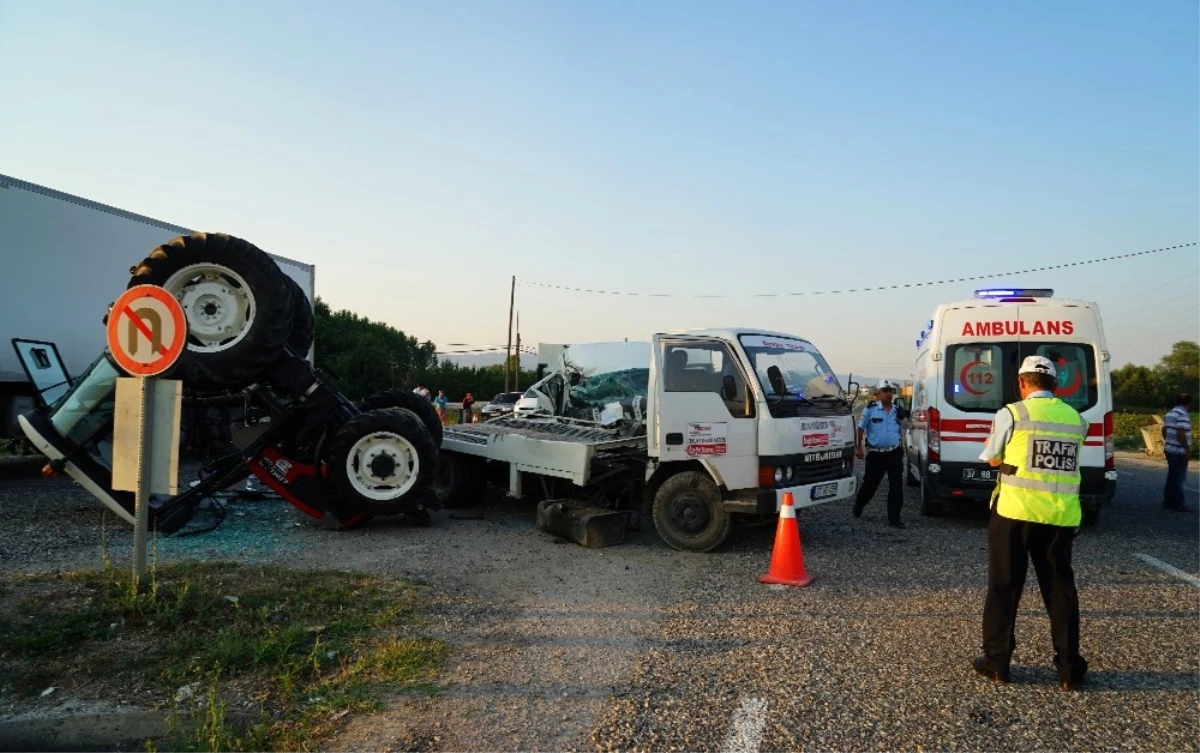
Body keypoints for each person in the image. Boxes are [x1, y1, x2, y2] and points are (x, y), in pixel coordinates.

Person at [974, 355, 1089, 691]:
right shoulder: (1076, 419)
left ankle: (998, 663)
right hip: (1060, 516)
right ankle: (1069, 669)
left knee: (1004, 587)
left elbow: (994, 457)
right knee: (1060, 590)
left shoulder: (1012, 413)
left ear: (1022, 383)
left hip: (1014, 513)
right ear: (1055, 385)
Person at [853, 379, 908, 528]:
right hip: (876, 455)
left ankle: (894, 519)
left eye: (891, 391)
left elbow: (907, 426)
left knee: (896, 487)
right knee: (870, 485)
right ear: (878, 394)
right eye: (885, 390)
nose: (889, 393)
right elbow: (860, 428)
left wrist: (907, 418)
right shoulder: (870, 409)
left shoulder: (897, 410)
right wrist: (858, 447)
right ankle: (859, 504)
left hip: (894, 453)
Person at [1162, 393, 1192, 512]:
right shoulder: (1183, 414)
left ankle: (1168, 502)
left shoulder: (1170, 413)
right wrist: (1187, 449)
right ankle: (1178, 503)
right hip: (1179, 451)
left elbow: (1164, 429)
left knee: (1171, 477)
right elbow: (1181, 433)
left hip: (1169, 449)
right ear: (1189, 404)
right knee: (1179, 478)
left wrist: (1168, 441)